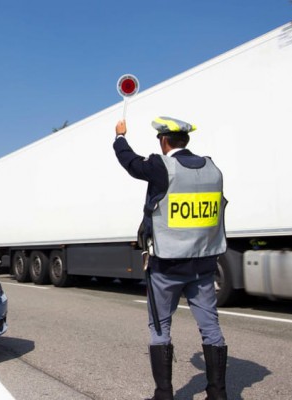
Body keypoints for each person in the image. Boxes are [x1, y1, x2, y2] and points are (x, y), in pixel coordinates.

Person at [113, 117, 228, 400]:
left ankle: (164, 394)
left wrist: (119, 138)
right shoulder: (213, 168)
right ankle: (218, 393)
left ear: (164, 141)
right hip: (203, 264)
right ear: (185, 141)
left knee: (160, 327)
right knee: (210, 327)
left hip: (166, 266)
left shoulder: (161, 166)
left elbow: (131, 163)